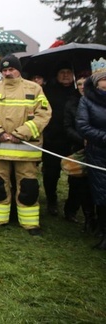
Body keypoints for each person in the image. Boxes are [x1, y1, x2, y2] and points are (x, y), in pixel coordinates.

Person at [0, 55, 51, 235]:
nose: (8, 73)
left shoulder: (34, 88)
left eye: (11, 69)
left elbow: (44, 114)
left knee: (28, 186)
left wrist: (22, 133)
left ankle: (30, 223)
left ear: (19, 70)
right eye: (4, 70)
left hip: (26, 149)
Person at [41, 63, 79, 217]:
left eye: (68, 72)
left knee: (76, 176)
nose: (65, 75)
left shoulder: (79, 92)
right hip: (52, 139)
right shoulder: (47, 91)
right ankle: (51, 200)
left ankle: (71, 209)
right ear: (56, 75)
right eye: (62, 72)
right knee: (51, 174)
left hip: (73, 141)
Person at [75, 59, 106, 249]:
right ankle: (103, 232)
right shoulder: (86, 100)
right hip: (98, 153)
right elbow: (82, 125)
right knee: (102, 194)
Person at [63, 76, 95, 232]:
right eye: (79, 84)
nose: (82, 87)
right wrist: (81, 140)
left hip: (98, 146)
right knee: (78, 184)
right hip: (78, 147)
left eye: (85, 83)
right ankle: (77, 213)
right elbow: (67, 126)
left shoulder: (98, 102)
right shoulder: (71, 102)